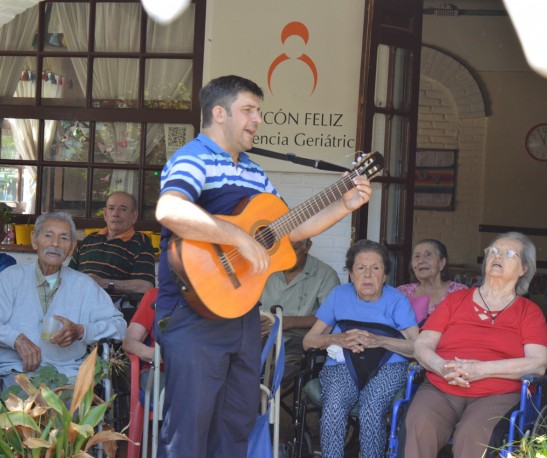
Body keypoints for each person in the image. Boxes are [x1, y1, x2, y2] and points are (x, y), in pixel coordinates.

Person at [154, 75, 372, 457]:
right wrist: (237, 237)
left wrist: (345, 204)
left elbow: (287, 229)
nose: (257, 119)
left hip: (242, 313)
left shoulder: (253, 171)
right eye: (248, 111)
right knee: (188, 429)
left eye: (259, 112)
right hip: (193, 311)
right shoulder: (193, 156)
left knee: (235, 424)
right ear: (219, 113)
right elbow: (170, 209)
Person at [402, 232, 547, 458]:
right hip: (443, 385)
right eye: (493, 251)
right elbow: (422, 345)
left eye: (508, 253)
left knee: (474, 433)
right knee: (419, 424)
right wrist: (441, 366)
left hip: (497, 393)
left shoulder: (529, 312)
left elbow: (538, 363)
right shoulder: (455, 300)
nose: (497, 256)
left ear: (523, 269)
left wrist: (480, 370)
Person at [303, 239, 419, 458]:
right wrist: (337, 339)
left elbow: (418, 347)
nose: (367, 275)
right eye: (361, 268)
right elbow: (308, 341)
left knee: (371, 409)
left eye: (375, 268)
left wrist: (381, 341)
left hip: (389, 367)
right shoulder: (339, 295)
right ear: (351, 274)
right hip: (342, 364)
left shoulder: (397, 300)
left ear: (385, 275)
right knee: (334, 409)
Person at [0, 212, 126, 387]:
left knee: (67, 407)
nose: (55, 243)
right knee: (19, 407)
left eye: (63, 238)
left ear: (72, 247)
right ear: (35, 240)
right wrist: (16, 339)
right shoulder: (11, 278)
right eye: (48, 235)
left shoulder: (85, 285)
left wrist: (82, 331)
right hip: (16, 372)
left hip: (66, 375)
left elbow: (119, 326)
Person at [259, 238, 340, 385]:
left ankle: (261, 401)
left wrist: (285, 322)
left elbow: (331, 318)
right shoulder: (265, 268)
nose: (286, 256)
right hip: (259, 337)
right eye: (281, 250)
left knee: (275, 375)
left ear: (307, 247)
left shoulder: (325, 275)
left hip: (298, 342)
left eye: (294, 249)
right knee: (234, 366)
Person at [69, 191, 156, 313]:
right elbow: (68, 276)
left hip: (112, 308)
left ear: (134, 216)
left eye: (123, 209)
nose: (115, 214)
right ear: (105, 214)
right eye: (111, 208)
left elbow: (146, 286)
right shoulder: (89, 240)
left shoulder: (140, 242)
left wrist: (105, 283)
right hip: (76, 303)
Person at [397, 239, 467, 324]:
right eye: (417, 256)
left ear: (442, 263)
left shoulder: (460, 292)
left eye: (428, 255)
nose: (421, 261)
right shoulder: (402, 292)